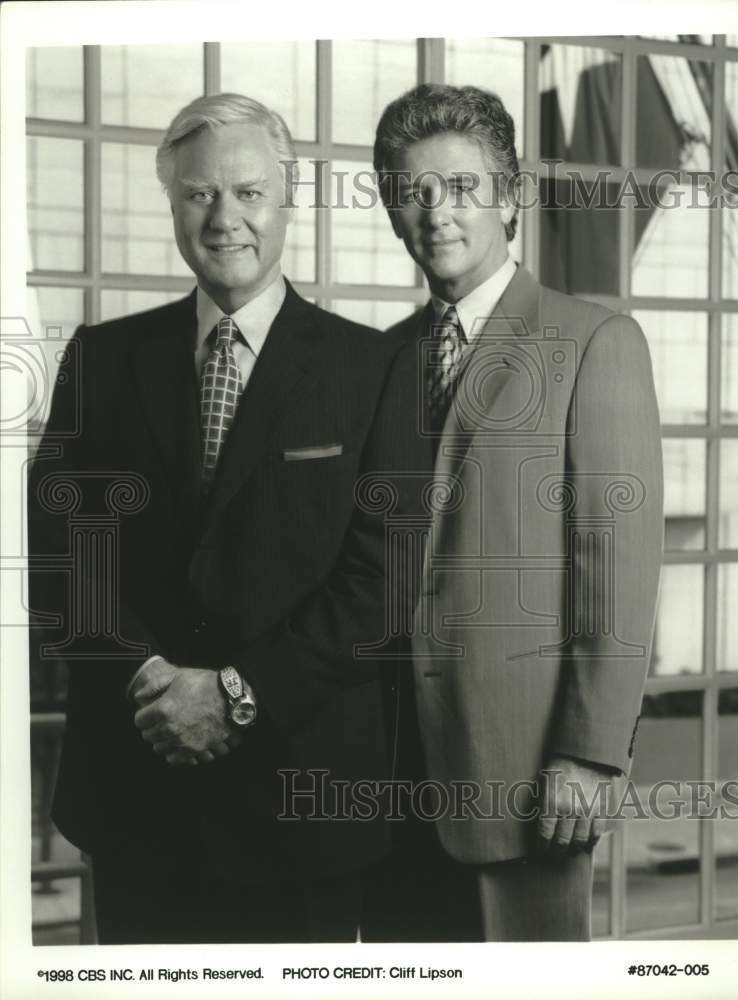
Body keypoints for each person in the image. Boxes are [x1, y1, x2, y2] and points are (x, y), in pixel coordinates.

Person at [27, 93, 426, 944]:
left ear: (286, 202)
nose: (224, 218)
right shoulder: (101, 358)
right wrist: (152, 683)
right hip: (136, 793)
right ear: (173, 205)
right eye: (200, 194)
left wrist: (237, 695)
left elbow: (384, 580)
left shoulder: (376, 367)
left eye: (248, 193)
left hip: (303, 802)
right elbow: (62, 554)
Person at [362, 83, 664, 942]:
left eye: (459, 187)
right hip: (387, 772)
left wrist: (592, 750)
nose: (435, 212)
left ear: (509, 197)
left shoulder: (593, 342)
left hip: (528, 768)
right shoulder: (380, 360)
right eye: (411, 192)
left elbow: (618, 564)